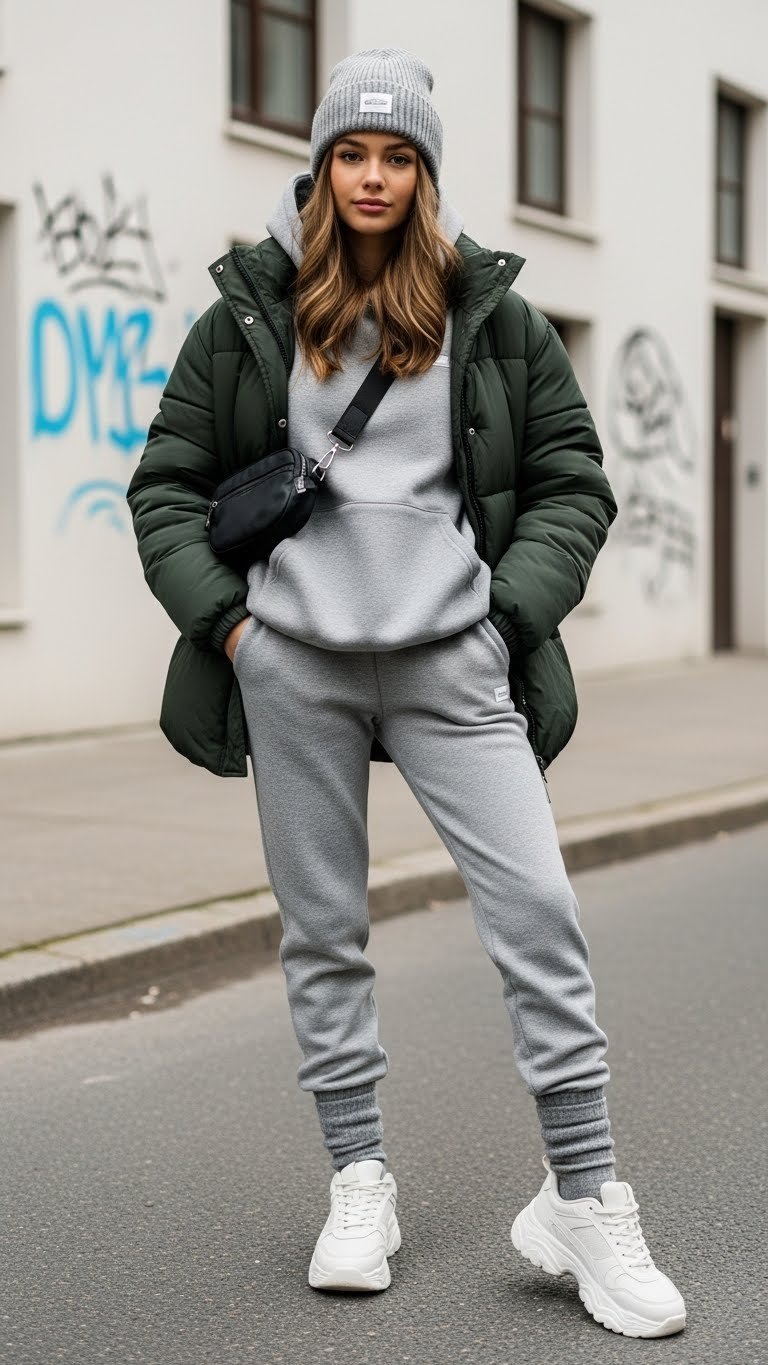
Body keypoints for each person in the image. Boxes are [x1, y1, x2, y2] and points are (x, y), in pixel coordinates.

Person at [126, 48, 685, 1337]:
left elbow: (572, 479)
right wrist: (230, 635)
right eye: (352, 154)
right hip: (293, 668)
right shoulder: (250, 314)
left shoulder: (491, 314)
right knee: (324, 934)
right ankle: (358, 1178)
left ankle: (585, 1197)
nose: (373, 177)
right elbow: (165, 485)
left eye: (399, 157)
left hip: (452, 664)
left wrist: (506, 616)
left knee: (539, 910)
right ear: (321, 168)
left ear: (426, 174)